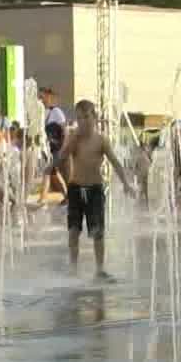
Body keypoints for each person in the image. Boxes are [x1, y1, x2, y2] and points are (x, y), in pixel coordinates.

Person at [62, 99, 134, 280]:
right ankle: (73, 268)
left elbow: (115, 162)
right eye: (79, 118)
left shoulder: (101, 140)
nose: (83, 122)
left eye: (86, 117)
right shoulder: (74, 138)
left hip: (95, 189)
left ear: (95, 117)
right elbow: (63, 156)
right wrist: (71, 140)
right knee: (73, 231)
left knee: (97, 232)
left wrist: (126, 183)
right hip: (76, 188)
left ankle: (100, 269)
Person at [39, 88, 68, 206]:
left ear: (49, 97)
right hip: (48, 148)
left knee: (48, 170)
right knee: (54, 173)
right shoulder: (42, 112)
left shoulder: (56, 112)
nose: (41, 100)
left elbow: (64, 130)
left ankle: (42, 198)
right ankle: (67, 196)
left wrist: (63, 147)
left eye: (42, 97)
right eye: (39, 97)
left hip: (57, 148)